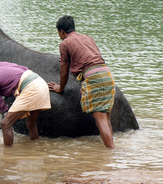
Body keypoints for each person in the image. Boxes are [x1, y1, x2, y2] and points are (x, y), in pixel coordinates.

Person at [48, 15, 116, 149]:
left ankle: (111, 153)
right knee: (106, 120)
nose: (60, 36)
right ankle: (111, 150)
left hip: (93, 79)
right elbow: (88, 58)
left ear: (62, 31)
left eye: (59, 33)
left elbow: (63, 69)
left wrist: (60, 88)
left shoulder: (65, 43)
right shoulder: (87, 38)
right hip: (107, 74)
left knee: (100, 120)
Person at [0, 62, 51, 147]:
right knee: (30, 123)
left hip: (31, 88)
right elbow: (22, 68)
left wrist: (5, 113)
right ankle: (35, 147)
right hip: (40, 82)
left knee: (5, 124)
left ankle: (8, 156)